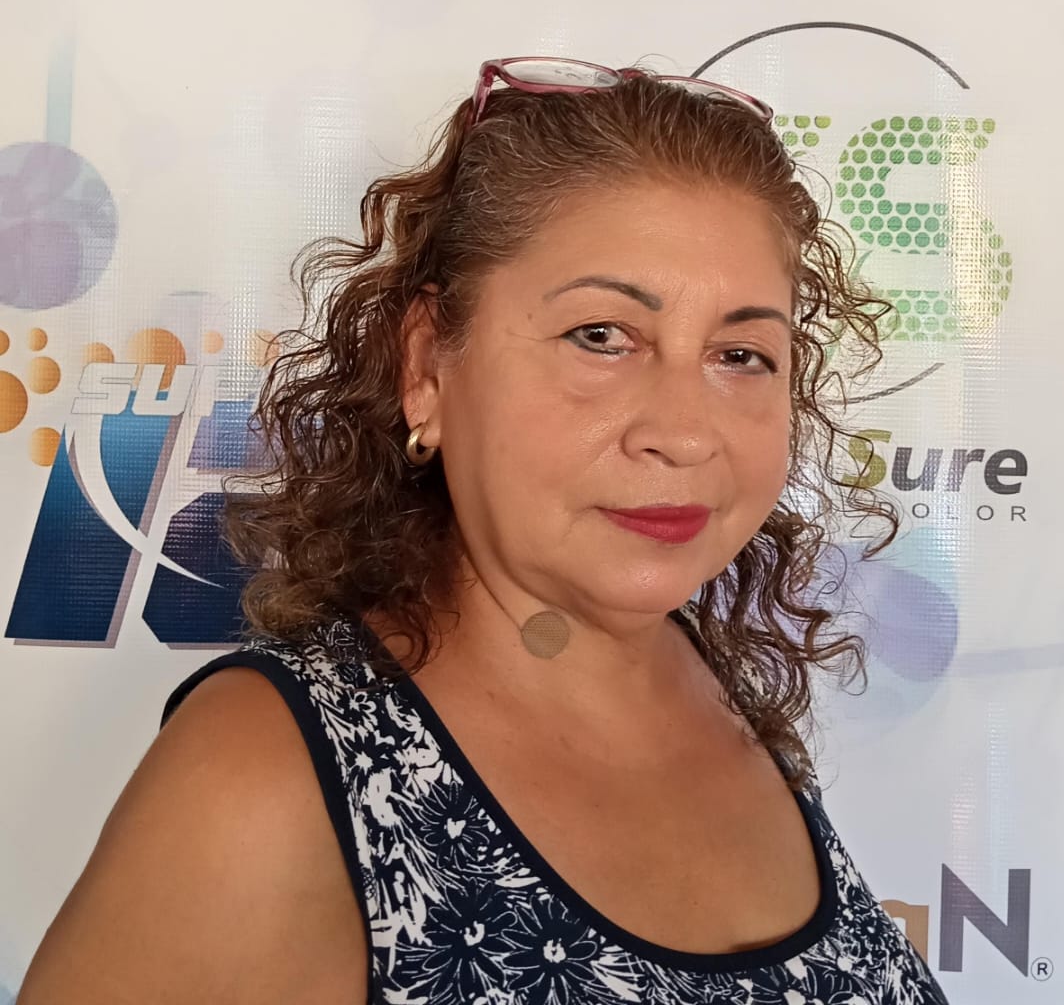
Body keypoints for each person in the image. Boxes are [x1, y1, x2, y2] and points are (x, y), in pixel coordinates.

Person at [18, 55, 950, 1004]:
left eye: (741, 355)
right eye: (600, 336)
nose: (683, 432)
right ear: (428, 365)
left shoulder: (723, 689)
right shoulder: (265, 777)